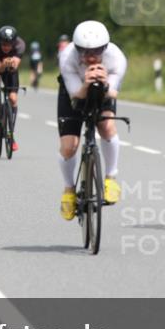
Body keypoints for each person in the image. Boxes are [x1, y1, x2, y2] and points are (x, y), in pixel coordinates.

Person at [57, 21, 128, 220]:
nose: (90, 57)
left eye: (97, 51)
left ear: (105, 48)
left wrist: (104, 83)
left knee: (107, 126)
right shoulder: (67, 58)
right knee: (69, 146)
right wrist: (86, 83)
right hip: (74, 93)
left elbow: (112, 93)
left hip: (103, 90)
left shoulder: (116, 58)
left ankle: (111, 177)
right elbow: (75, 94)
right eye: (84, 51)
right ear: (76, 48)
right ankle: (69, 189)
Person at [0, 26, 26, 151]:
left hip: (10, 64)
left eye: (9, 45)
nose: (6, 47)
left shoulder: (20, 44)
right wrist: (3, 64)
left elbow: (15, 66)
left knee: (13, 99)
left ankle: (10, 134)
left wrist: (11, 64)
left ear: (14, 43)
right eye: (3, 44)